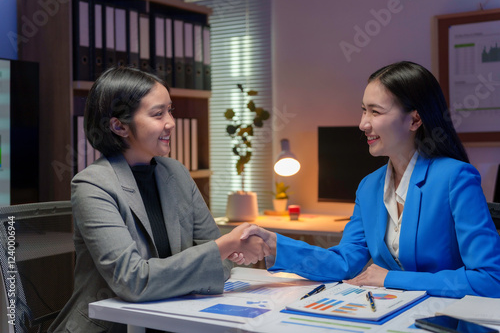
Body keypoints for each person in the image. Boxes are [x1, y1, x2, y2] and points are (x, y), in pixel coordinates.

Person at [234, 61, 500, 299]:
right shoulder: (369, 187)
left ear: (415, 119)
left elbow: (490, 279)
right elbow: (344, 262)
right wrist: (274, 245)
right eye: (363, 110)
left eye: (376, 112)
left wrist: (390, 278)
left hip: (446, 321)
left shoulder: (456, 178)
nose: (363, 124)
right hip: (394, 316)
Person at [49, 67, 269, 333]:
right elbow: (133, 282)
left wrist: (216, 253)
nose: (171, 122)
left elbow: (221, 265)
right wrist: (222, 247)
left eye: (170, 110)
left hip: (172, 319)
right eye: (158, 114)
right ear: (119, 126)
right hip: (110, 328)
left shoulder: (175, 172)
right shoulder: (93, 186)